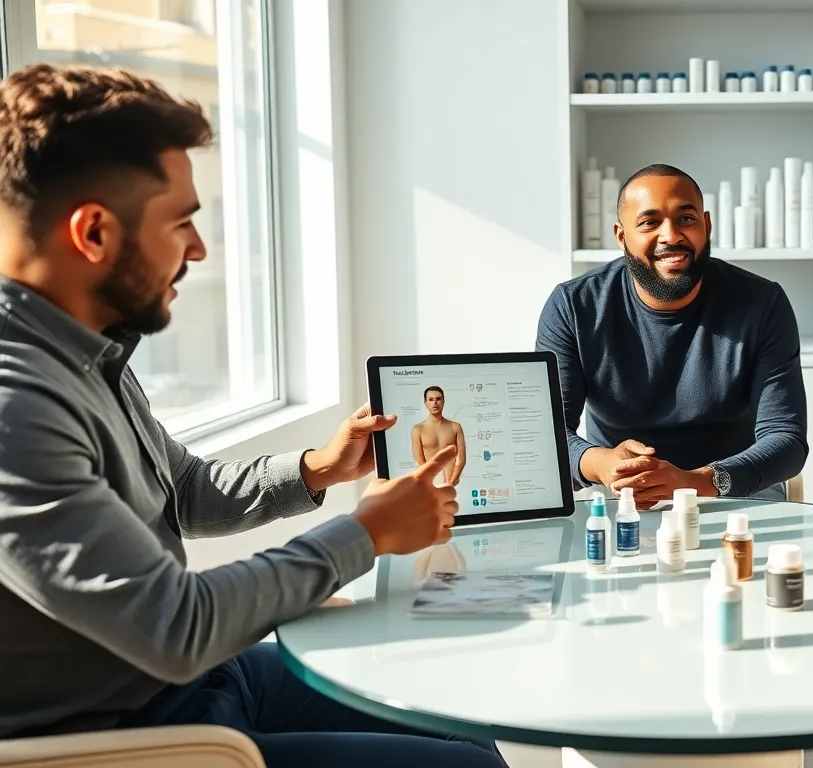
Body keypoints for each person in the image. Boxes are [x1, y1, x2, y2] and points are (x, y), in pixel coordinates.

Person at [0, 64, 503, 767]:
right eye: (181, 223)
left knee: (455, 714)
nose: (200, 250)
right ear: (93, 234)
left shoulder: (94, 348)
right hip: (132, 740)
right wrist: (366, 533)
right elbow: (177, 624)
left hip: (193, 682)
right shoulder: (15, 408)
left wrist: (318, 469)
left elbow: (182, 492)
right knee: (466, 766)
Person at [536, 164, 807, 508]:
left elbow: (786, 439)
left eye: (686, 219)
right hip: (617, 493)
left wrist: (694, 481)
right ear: (621, 236)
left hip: (729, 490)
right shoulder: (573, 307)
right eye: (650, 222)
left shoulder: (762, 303)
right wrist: (602, 464)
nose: (671, 236)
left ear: (706, 226)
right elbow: (548, 431)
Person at [413, 385, 467, 486]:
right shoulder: (418, 430)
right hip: (430, 485)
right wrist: (429, 483)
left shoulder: (455, 427)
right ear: (425, 403)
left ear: (443, 401)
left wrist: (450, 483)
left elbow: (461, 459)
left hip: (454, 484)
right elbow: (419, 461)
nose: (435, 403)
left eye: (438, 399)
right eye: (431, 399)